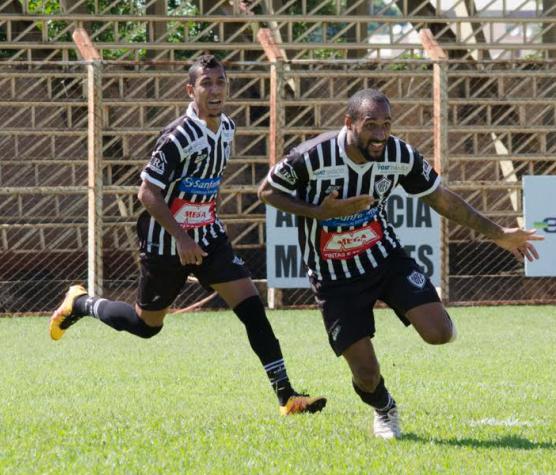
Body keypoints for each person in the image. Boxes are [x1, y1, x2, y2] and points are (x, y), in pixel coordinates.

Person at [50, 54, 327, 416]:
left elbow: (204, 185)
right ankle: (81, 303)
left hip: (209, 237)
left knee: (252, 308)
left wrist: (203, 225)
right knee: (147, 326)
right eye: (206, 83)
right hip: (168, 242)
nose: (215, 90)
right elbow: (146, 192)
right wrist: (182, 237)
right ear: (190, 90)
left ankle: (287, 396)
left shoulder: (227, 128)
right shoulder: (178, 136)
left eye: (220, 82)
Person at [258, 88, 543, 437]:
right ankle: (385, 408)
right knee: (366, 373)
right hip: (334, 277)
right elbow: (268, 191)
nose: (380, 134)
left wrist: (497, 233)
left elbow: (441, 199)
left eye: (386, 125)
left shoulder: (399, 154)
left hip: (384, 259)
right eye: (371, 125)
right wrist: (318, 212)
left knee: (439, 333)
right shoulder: (313, 156)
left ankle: (430, 312)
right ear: (349, 123)